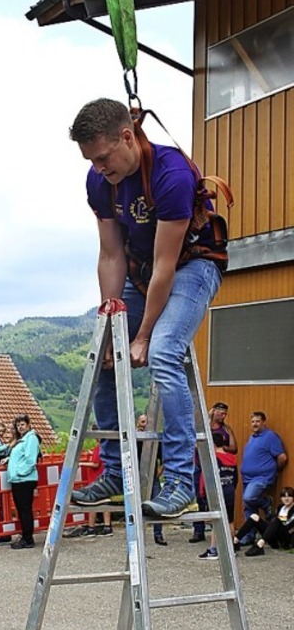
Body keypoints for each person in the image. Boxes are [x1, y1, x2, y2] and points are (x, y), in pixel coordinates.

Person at [68, 98, 225, 519]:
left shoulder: (171, 174)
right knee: (103, 353)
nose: (100, 167)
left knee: (163, 351)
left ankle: (178, 481)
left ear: (126, 136)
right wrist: (112, 321)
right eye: (91, 161)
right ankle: (117, 472)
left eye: (103, 157)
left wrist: (141, 335)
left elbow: (166, 266)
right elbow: (110, 255)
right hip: (141, 272)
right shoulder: (100, 182)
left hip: (193, 267)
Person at [190, 402, 237, 543]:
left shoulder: (226, 429)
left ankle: (218, 537)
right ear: (214, 412)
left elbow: (234, 448)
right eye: (220, 413)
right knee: (200, 498)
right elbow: (195, 443)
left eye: (225, 414)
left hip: (220, 466)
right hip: (201, 466)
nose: (223, 416)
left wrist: (219, 448)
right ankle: (198, 531)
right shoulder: (204, 426)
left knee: (218, 501)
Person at [239, 412, 287, 529]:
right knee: (248, 507)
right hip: (247, 478)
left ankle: (266, 502)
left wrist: (276, 470)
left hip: (261, 477)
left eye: (257, 421)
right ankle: (248, 536)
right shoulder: (252, 437)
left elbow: (282, 457)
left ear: (264, 423)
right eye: (253, 422)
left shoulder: (270, 436)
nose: (254, 424)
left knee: (249, 498)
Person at [197, 430, 238, 560]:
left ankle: (213, 549)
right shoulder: (232, 458)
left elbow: (206, 478)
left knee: (216, 520)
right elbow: (236, 478)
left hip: (217, 492)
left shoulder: (213, 458)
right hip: (230, 490)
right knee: (230, 520)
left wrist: (202, 494)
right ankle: (230, 549)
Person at [6, 414, 40, 549]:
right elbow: (19, 457)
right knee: (21, 509)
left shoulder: (31, 439)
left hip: (24, 479)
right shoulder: (22, 440)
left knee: (25, 509)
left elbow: (30, 459)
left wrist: (20, 471)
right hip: (18, 479)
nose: (20, 427)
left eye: (22, 424)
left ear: (28, 424)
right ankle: (25, 535)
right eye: (18, 425)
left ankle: (28, 538)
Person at [233, 486, 294, 558]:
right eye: (284, 496)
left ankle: (259, 545)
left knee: (276, 520)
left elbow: (288, 525)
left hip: (286, 539)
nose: (286, 499)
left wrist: (275, 522)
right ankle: (236, 541)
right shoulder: (280, 507)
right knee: (254, 516)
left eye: (289, 496)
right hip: (274, 537)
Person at [136, 413, 165, 545]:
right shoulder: (134, 439)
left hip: (152, 477)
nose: (144, 425)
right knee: (135, 506)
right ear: (137, 423)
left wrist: (160, 470)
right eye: (142, 422)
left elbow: (163, 457)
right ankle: (136, 536)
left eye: (146, 423)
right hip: (136, 478)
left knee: (157, 505)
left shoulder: (154, 441)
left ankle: (158, 534)